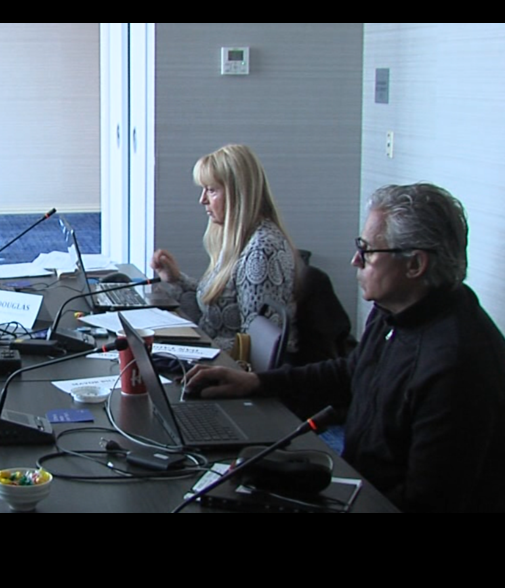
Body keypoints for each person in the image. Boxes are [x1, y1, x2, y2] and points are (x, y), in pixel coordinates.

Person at [186, 184, 505, 512]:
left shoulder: (457, 364)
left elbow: (428, 503)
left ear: (415, 265)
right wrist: (255, 383)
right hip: (357, 486)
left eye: (367, 250)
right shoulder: (395, 310)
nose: (355, 260)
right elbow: (351, 370)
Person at [150, 144, 297, 354]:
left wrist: (189, 349)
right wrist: (176, 279)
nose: (202, 200)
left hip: (232, 375)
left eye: (211, 190)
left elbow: (254, 346)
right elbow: (217, 304)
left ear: (239, 194)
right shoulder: (238, 238)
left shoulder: (262, 251)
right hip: (213, 358)